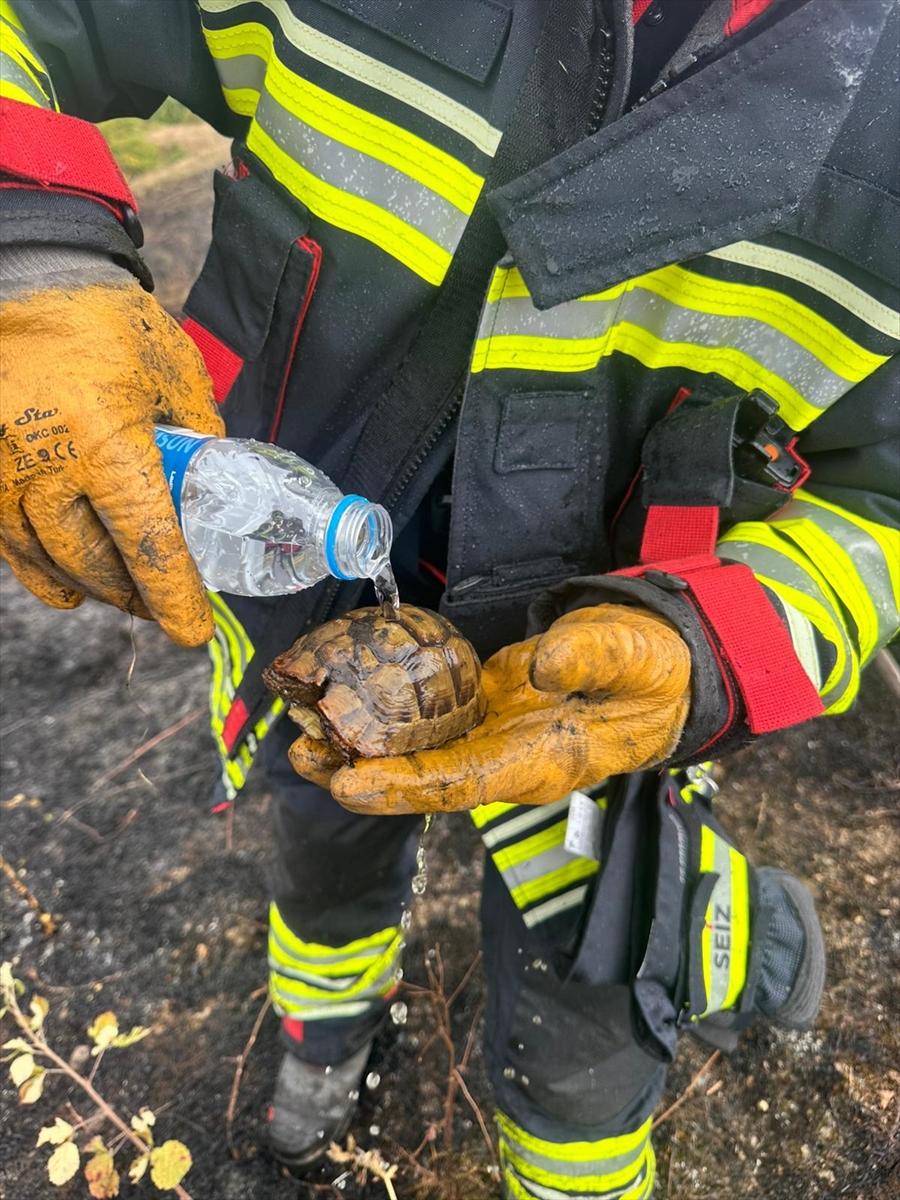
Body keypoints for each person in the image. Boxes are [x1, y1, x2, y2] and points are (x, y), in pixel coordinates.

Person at [1, 0, 897, 1194]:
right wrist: (32, 251)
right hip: (301, 581)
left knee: (591, 961)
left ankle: (577, 1159)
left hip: (593, 661)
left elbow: (880, 503)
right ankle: (327, 1025)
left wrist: (706, 646)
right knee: (320, 828)